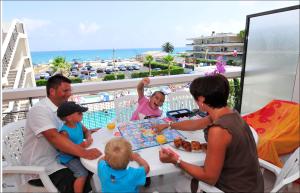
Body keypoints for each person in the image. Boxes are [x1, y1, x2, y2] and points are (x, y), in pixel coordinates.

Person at [156, 74, 264, 193]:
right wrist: (169, 125)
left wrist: (176, 160)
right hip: (252, 184)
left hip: (234, 188)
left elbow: (209, 177)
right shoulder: (229, 113)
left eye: (196, 99)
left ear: (202, 100)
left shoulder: (218, 130)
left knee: (177, 181)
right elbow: (195, 124)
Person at [21, 74, 101, 193]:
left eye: (70, 90)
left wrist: (92, 133)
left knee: (89, 168)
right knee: (78, 175)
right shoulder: (40, 110)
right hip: (42, 168)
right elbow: (54, 137)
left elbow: (82, 129)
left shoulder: (62, 109)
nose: (69, 94)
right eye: (65, 90)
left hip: (61, 158)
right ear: (52, 91)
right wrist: (85, 153)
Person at [56, 101, 93, 193]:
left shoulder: (78, 124)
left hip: (79, 152)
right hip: (69, 158)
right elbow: (65, 150)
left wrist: (88, 137)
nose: (82, 114)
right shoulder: (64, 132)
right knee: (82, 173)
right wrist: (82, 145)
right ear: (69, 117)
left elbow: (87, 131)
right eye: (79, 113)